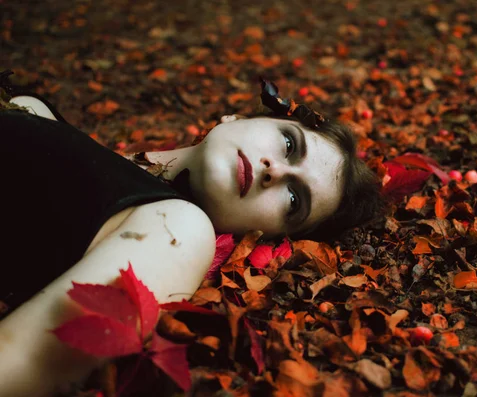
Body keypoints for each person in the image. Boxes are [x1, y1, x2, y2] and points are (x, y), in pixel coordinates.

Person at [0, 72, 384, 396]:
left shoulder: (178, 228)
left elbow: (19, 360)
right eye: (288, 144)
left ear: (265, 235)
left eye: (294, 199)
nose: (276, 172)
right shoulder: (43, 114)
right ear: (235, 118)